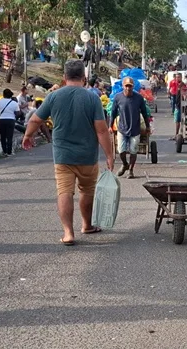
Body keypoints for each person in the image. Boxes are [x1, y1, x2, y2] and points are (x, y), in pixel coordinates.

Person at [22, 59, 114, 246]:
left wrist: (27, 136)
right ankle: (87, 225)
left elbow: (35, 120)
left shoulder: (54, 96)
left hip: (63, 156)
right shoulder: (92, 98)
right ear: (84, 78)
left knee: (64, 191)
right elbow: (102, 130)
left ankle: (68, 233)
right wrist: (110, 155)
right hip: (87, 156)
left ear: (64, 78)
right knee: (87, 191)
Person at [110, 76, 150, 179]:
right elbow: (113, 113)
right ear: (123, 86)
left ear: (133, 87)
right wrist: (110, 125)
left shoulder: (139, 98)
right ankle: (125, 164)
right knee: (121, 150)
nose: (128, 88)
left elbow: (145, 113)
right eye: (126, 86)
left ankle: (131, 170)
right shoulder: (118, 97)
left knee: (133, 151)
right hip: (122, 128)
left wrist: (147, 126)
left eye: (130, 86)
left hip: (135, 129)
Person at [0, 88, 20, 156]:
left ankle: (4, 152)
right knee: (9, 137)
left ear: (3, 94)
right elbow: (18, 113)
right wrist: (14, 116)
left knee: (3, 137)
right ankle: (9, 152)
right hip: (11, 120)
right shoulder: (14, 103)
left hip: (1, 120)